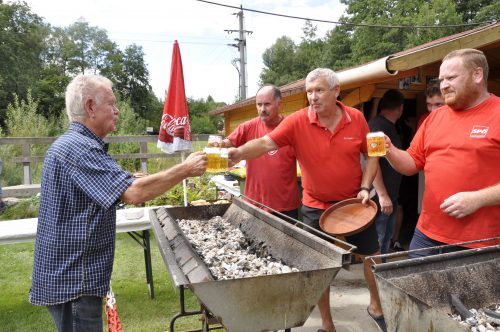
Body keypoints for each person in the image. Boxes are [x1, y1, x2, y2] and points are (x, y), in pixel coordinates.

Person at [29, 74, 207, 332]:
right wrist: (185, 169)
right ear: (91, 107)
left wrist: (136, 178)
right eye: (111, 104)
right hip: (74, 280)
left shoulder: (74, 144)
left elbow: (113, 184)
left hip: (71, 276)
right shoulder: (80, 148)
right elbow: (133, 193)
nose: (117, 111)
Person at [229, 68, 386, 332]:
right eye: (309, 92)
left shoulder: (357, 118)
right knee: (319, 267)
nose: (313, 97)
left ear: (336, 91)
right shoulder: (298, 121)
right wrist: (237, 153)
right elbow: (265, 144)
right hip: (316, 207)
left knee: (372, 256)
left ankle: (376, 307)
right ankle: (327, 324)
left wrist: (365, 186)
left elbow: (372, 154)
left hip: (354, 204)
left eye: (319, 90)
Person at [384, 48, 500, 258]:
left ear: (477, 74)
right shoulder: (434, 118)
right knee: (415, 291)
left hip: (481, 242)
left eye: (451, 78)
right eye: (441, 79)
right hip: (427, 234)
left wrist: (478, 199)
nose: (443, 85)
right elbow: (411, 163)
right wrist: (389, 150)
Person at [222, 85, 300, 220]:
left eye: (267, 104)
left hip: (284, 206)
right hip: (253, 202)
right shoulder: (248, 127)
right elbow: (227, 142)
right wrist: (218, 144)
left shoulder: (292, 128)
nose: (262, 109)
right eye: (259, 105)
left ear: (279, 105)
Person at [368, 89, 404, 259]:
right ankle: (375, 278)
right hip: (381, 197)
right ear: (400, 108)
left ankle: (380, 273)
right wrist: (383, 195)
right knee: (379, 239)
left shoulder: (385, 126)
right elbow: (372, 162)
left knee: (385, 240)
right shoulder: (378, 127)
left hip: (391, 194)